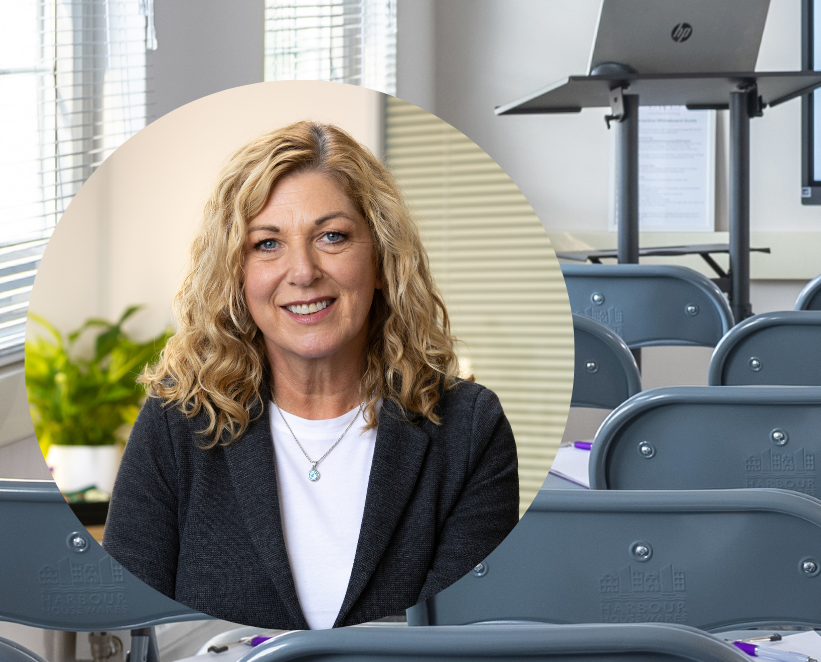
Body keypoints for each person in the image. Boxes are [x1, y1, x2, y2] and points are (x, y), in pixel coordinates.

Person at [104, 122, 518, 630]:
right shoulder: (178, 420)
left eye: (331, 236)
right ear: (237, 274)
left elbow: (469, 639)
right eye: (267, 244)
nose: (302, 271)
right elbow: (130, 624)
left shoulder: (471, 429)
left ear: (381, 258)